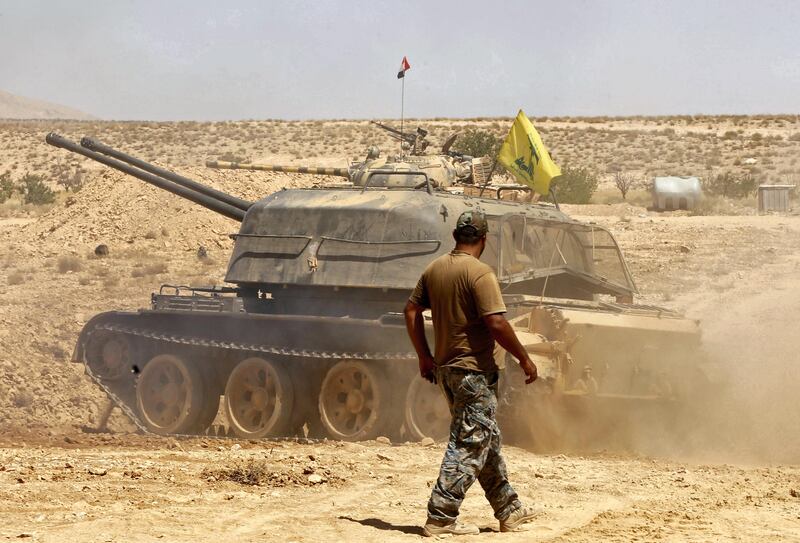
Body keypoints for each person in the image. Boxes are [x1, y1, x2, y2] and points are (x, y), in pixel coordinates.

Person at [404, 209, 540, 536]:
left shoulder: (434, 269)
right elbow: (496, 322)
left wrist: (424, 355)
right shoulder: (480, 274)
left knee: (484, 441)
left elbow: (410, 310)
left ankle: (509, 509)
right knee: (469, 443)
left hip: (449, 370)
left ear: (455, 237)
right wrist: (524, 358)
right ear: (484, 239)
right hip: (474, 372)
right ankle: (441, 515)